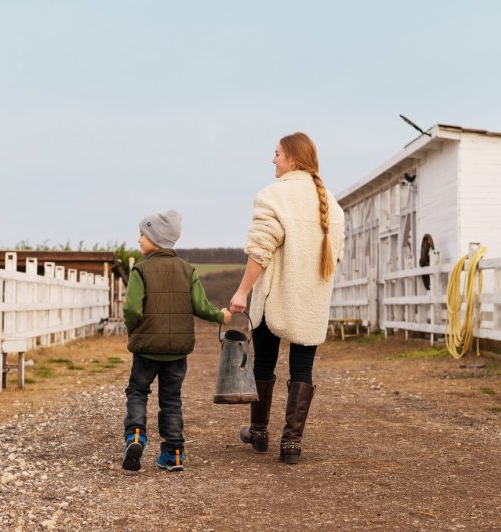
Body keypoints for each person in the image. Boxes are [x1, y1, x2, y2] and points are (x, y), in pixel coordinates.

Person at [230, 132, 345, 465]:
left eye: (277, 153)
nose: (273, 159)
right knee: (302, 370)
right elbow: (335, 257)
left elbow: (260, 251)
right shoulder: (332, 203)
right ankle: (292, 444)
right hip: (311, 302)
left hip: (274, 297)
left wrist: (242, 291)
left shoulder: (274, 196)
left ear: (293, 158)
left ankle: (260, 431)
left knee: (264, 363)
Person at [122, 209, 231, 472]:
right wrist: (221, 316)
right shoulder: (187, 270)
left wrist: (134, 330)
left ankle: (136, 436)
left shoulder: (141, 270)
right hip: (177, 352)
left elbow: (132, 309)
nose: (139, 240)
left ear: (155, 239)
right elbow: (200, 306)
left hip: (147, 350)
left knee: (138, 391)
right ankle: (173, 454)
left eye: (143, 234)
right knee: (171, 399)